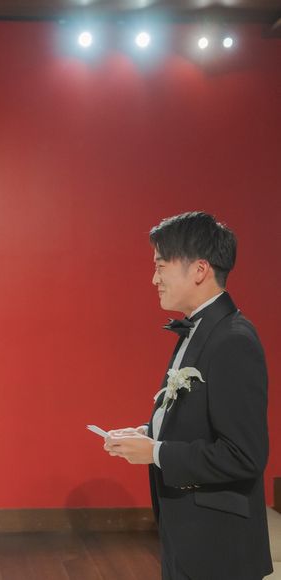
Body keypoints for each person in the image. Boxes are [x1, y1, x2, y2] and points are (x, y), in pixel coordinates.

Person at [104, 212, 272, 580]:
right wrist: (149, 432)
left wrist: (157, 452)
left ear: (199, 270)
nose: (154, 279)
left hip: (219, 546)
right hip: (188, 534)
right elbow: (199, 420)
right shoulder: (200, 330)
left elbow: (245, 455)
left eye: (161, 266)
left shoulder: (233, 340)